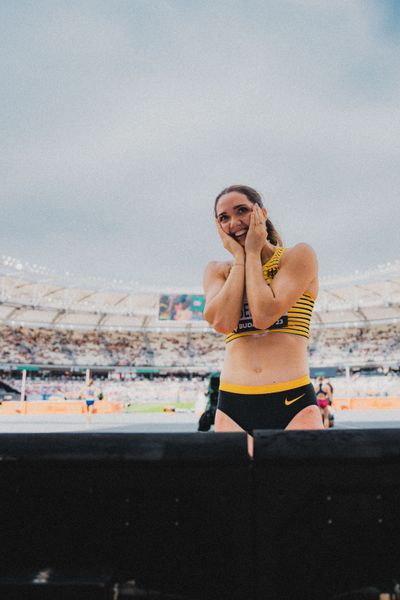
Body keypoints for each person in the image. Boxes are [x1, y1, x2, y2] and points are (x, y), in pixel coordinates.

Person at [203, 185, 324, 456]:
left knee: (301, 492)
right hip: (233, 402)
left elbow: (264, 315)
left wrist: (254, 254)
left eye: (242, 211)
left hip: (293, 400)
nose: (234, 223)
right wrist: (240, 259)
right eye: (224, 217)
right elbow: (221, 322)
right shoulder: (217, 271)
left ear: (262, 213)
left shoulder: (297, 256)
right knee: (237, 494)